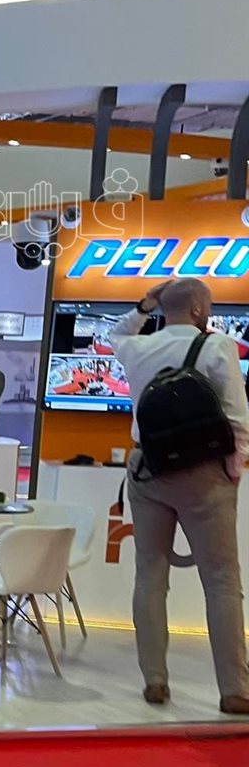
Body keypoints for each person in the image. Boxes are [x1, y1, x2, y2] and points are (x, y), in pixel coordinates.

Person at [110, 277, 249, 715]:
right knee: (221, 580)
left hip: (147, 468)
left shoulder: (137, 346)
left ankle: (154, 680)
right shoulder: (218, 346)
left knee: (150, 575)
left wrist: (143, 306)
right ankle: (235, 689)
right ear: (199, 310)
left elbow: (116, 334)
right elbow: (237, 417)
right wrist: (232, 471)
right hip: (205, 474)